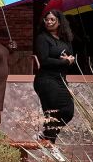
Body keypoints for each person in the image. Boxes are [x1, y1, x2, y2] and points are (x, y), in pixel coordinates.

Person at [33, 9, 77, 154]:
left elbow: (71, 58)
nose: (49, 22)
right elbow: (44, 60)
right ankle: (49, 142)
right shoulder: (42, 38)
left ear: (59, 22)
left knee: (68, 111)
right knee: (55, 110)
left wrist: (70, 60)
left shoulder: (65, 39)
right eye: (47, 19)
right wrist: (64, 62)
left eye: (52, 19)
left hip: (60, 79)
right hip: (46, 79)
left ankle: (47, 138)